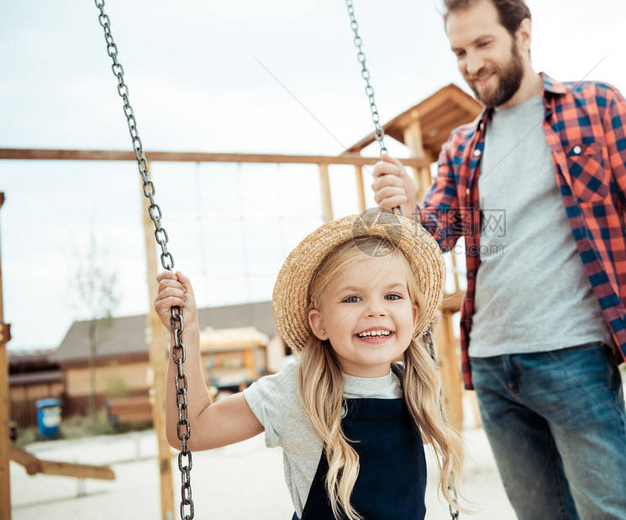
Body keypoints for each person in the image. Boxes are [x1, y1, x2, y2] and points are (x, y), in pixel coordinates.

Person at [371, 0, 626, 520]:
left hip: (574, 354)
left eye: (484, 43)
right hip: (493, 367)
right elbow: (434, 241)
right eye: (459, 51)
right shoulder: (461, 148)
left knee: (612, 514)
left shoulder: (595, 106)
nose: (472, 63)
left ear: (523, 33)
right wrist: (408, 209)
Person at [154, 211, 462, 520]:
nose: (375, 310)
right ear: (320, 323)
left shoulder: (415, 386)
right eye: (352, 299)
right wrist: (187, 335)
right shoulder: (295, 390)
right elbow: (192, 430)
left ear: (413, 313)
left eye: (392, 295)